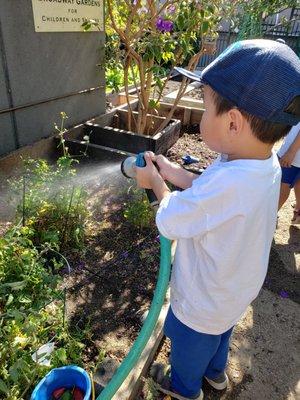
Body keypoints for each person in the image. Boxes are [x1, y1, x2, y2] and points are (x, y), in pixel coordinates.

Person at [136, 39, 300, 400]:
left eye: (205, 108)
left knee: (190, 345)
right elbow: (210, 192)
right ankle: (216, 377)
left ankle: (185, 388)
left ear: (233, 123)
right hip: (234, 290)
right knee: (220, 336)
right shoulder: (261, 163)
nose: (201, 116)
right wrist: (174, 172)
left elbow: (172, 220)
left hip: (204, 298)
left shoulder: (230, 180)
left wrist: (155, 184)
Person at [277, 122, 300, 223]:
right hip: (295, 153)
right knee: (297, 181)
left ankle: (270, 216)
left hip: (294, 154)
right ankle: (299, 211)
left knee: (282, 184)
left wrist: (291, 151)